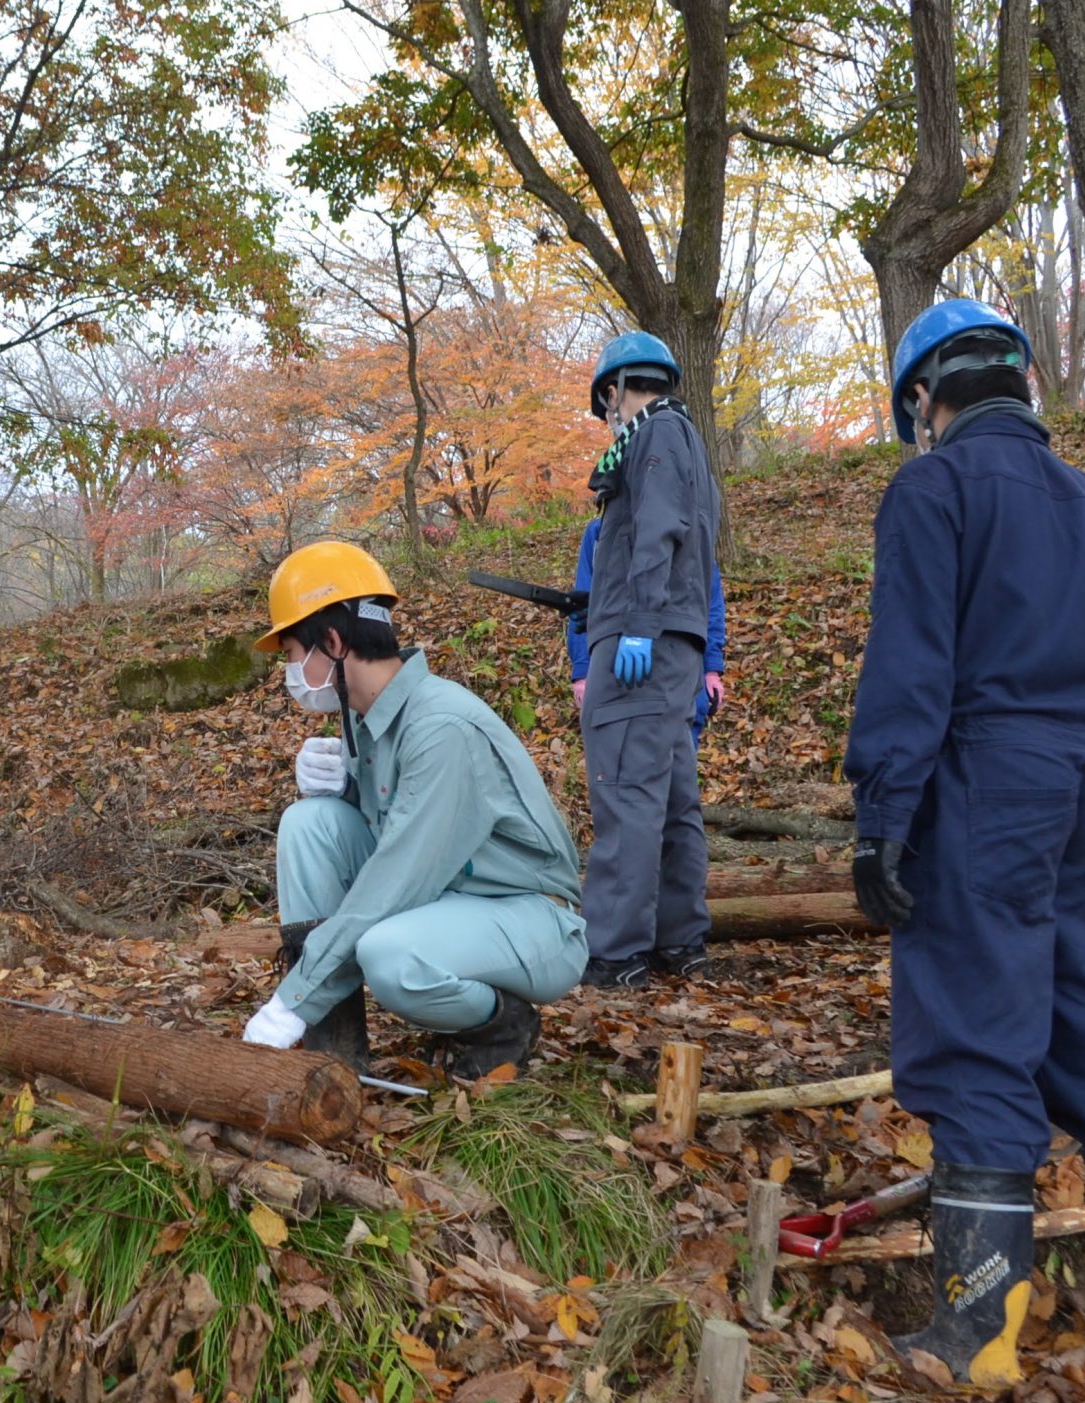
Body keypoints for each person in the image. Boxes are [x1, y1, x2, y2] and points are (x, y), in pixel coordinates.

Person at [845, 300, 1085, 1391]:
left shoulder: (931, 488)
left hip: (991, 778)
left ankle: (978, 1331)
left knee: (976, 1029)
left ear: (922, 398)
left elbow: (911, 668)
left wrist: (884, 815)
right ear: (1022, 383)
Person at [242, 542, 587, 1079]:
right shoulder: (364, 715)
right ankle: (333, 1054)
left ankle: (501, 1025)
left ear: (332, 642)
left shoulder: (441, 728)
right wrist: (340, 790)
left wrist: (293, 998)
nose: (289, 672)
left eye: (291, 653)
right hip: (451, 896)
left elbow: (398, 875)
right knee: (308, 824)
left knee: (388, 956)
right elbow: (381, 830)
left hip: (529, 916)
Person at [575, 332, 721, 988]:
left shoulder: (655, 434)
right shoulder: (686, 440)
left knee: (626, 791)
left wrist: (635, 626)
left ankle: (616, 955)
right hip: (672, 641)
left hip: (647, 641)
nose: (608, 413)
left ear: (614, 390)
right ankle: (678, 940)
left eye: (606, 400)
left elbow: (660, 531)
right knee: (668, 793)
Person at [568, 536, 728, 741]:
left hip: (682, 675)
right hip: (615, 677)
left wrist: (711, 670)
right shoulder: (600, 532)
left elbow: (710, 602)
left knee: (679, 758)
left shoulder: (690, 530)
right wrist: (582, 673)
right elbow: (583, 602)